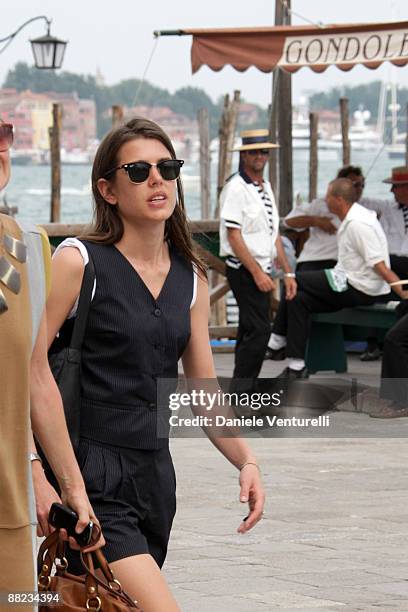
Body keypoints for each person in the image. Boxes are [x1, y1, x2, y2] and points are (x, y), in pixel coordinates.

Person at [42, 117, 265, 611]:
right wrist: (48, 480)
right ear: (109, 189)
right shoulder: (79, 263)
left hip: (155, 477)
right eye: (139, 170)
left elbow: (203, 389)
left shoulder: (192, 277)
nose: (157, 179)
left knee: (102, 605)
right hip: (89, 473)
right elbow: (28, 370)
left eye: (167, 167)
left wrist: (245, 460)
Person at [0, 120, 102, 606]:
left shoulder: (24, 250)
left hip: (8, 512)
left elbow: (34, 376)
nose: (2, 145)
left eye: (4, 133)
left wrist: (66, 485)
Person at [268, 178, 408, 380]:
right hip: (346, 279)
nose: (325, 200)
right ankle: (296, 365)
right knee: (299, 299)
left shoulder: (358, 224)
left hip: (360, 287)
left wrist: (401, 291)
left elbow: (379, 264)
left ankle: (275, 341)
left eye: (328, 196)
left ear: (339, 200)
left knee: (293, 279)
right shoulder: (351, 219)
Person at [219, 129, 297, 392]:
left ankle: (241, 390)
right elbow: (233, 235)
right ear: (244, 155)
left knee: (250, 330)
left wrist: (288, 273)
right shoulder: (236, 188)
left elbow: (273, 233)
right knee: (260, 331)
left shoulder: (266, 187)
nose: (260, 156)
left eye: (264, 151)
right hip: (244, 269)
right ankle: (242, 392)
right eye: (254, 151)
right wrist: (257, 273)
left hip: (261, 268)